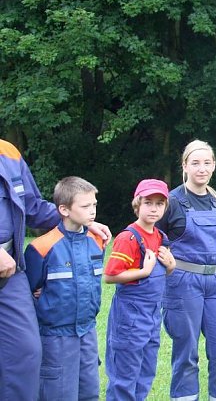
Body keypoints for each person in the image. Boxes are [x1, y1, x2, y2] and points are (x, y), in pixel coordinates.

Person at [0, 139, 111, 401]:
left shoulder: (8, 152)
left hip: (9, 270)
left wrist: (80, 221)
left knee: (25, 351)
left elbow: (33, 206)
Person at [157, 139, 216, 401]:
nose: (201, 168)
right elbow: (153, 238)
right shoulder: (171, 201)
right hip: (183, 282)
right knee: (186, 352)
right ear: (185, 166)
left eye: (206, 163)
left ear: (214, 165)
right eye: (195, 163)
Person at [24, 176, 105, 401]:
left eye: (94, 205)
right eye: (85, 206)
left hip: (87, 334)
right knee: (58, 394)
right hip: (55, 339)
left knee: (89, 392)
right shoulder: (40, 247)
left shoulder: (97, 241)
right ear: (64, 209)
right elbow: (27, 293)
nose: (92, 211)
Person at [104, 179, 176, 401]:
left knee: (146, 371)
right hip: (130, 315)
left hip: (152, 314)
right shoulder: (128, 238)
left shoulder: (159, 237)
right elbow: (110, 276)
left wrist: (171, 266)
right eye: (148, 203)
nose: (154, 209)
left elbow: (159, 273)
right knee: (124, 375)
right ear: (137, 204)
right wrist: (143, 272)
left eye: (159, 204)